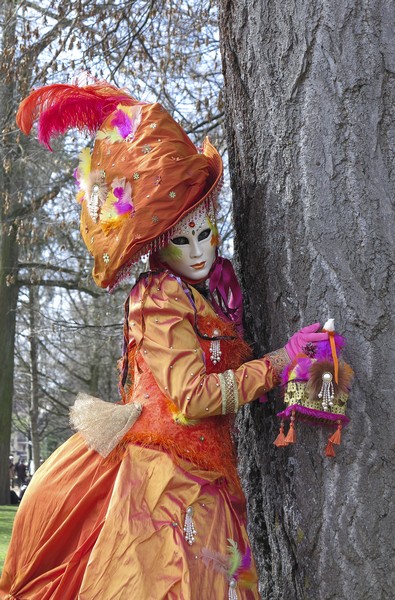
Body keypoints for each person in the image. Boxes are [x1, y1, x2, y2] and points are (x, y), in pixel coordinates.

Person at [0, 82, 328, 600]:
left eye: (205, 233)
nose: (197, 250)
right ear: (155, 244)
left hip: (208, 479)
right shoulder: (158, 299)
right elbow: (191, 397)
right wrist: (277, 363)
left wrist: (287, 378)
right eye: (181, 239)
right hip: (164, 485)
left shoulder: (214, 291)